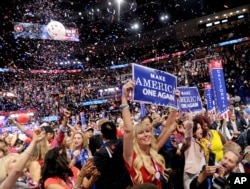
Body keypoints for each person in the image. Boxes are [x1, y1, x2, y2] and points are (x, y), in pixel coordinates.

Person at [121, 80, 179, 188]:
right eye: (141, 133)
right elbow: (128, 130)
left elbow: (168, 128)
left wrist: (174, 104)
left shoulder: (154, 152)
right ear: (135, 137)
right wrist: (124, 99)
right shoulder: (131, 156)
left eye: (147, 131)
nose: (146, 134)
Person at [94, 121, 132, 189]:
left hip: (111, 185)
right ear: (116, 131)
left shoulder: (99, 153)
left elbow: (100, 174)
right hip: (128, 183)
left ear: (102, 135)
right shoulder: (124, 143)